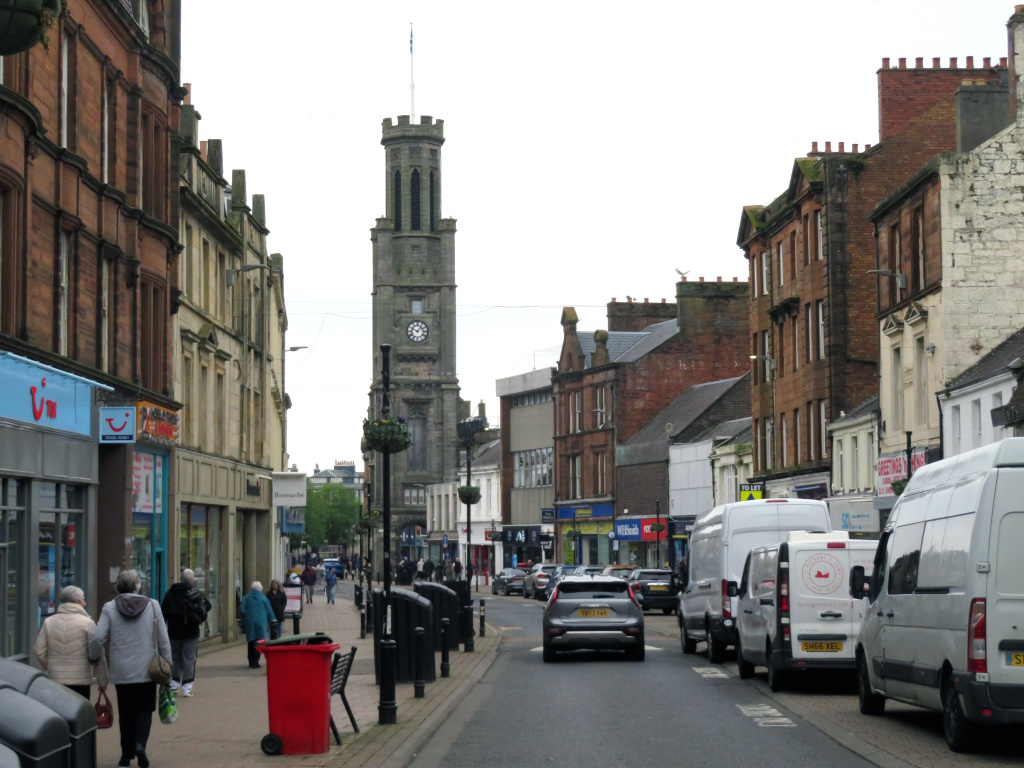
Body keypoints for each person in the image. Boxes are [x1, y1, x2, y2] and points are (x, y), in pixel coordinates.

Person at [92, 569, 171, 768]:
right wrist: (169, 664)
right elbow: (164, 639)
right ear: (138, 586)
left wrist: (93, 656)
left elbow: (98, 637)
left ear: (118, 587)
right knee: (145, 710)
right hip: (147, 669)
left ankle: (125, 757)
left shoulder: (109, 608)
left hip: (121, 670)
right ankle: (140, 745)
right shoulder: (153, 606)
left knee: (126, 713)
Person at [33, 585, 108, 701]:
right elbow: (97, 652)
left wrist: (51, 665)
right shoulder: (88, 623)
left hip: (56, 680)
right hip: (80, 681)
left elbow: (38, 650)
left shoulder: (49, 622)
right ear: (77, 601)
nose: (85, 603)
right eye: (83, 599)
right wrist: (102, 681)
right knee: (80, 715)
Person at [160, 568, 210, 698]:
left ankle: (173, 685)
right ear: (192, 580)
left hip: (174, 633)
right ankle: (187, 688)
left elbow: (162, 613)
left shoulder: (170, 593)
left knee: (174, 658)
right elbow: (208, 606)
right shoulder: (195, 592)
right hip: (191, 632)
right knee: (189, 659)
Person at [239, 581, 275, 668]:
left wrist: (247, 614)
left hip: (249, 621)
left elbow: (241, 609)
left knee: (251, 641)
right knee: (259, 641)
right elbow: (270, 611)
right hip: (261, 622)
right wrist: (273, 620)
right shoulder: (264, 599)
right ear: (260, 589)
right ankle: (256, 661)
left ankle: (251, 660)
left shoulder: (246, 598)